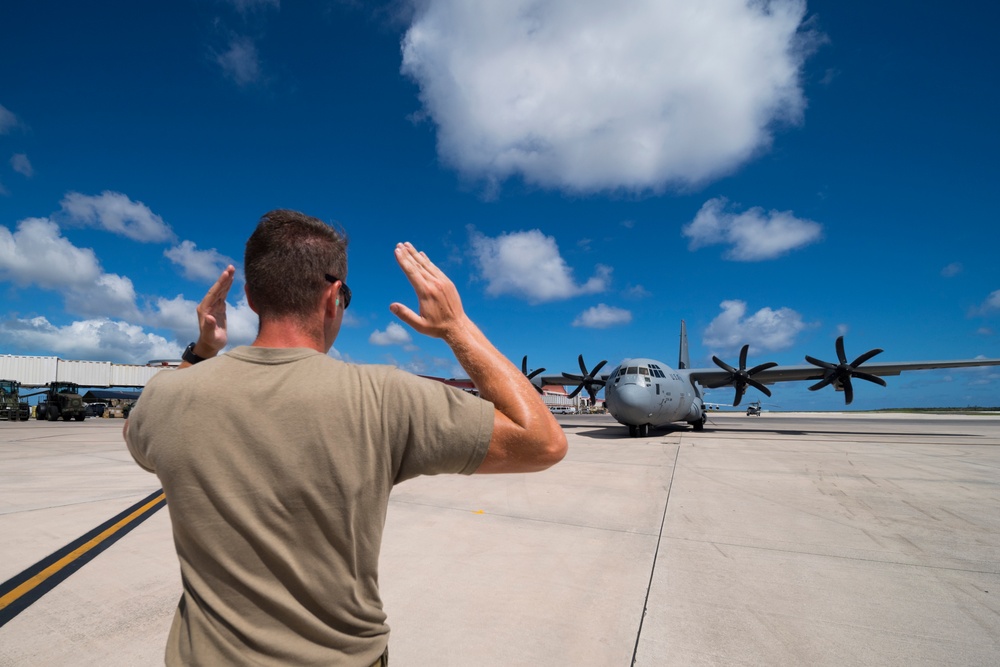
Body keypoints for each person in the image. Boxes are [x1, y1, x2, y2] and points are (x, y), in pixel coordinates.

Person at [124, 209, 567, 666]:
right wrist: (456, 327)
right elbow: (543, 443)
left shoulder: (166, 396)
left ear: (252, 298)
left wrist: (200, 353)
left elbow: (134, 431)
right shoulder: (383, 395)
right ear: (335, 296)